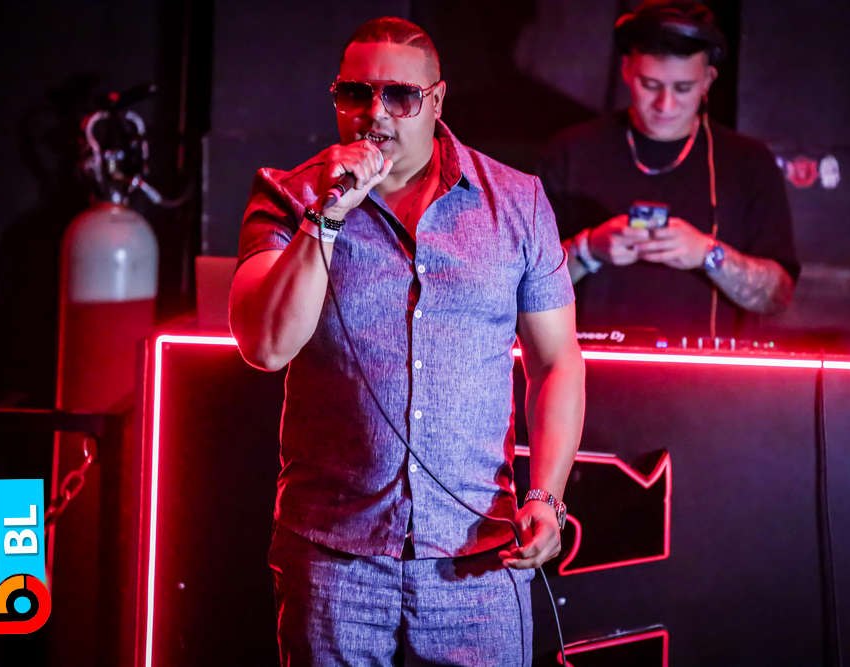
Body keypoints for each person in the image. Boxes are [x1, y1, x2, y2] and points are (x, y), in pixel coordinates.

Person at [228, 16, 585, 667]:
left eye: (400, 95)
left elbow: (558, 360)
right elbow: (266, 345)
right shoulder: (290, 194)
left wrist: (546, 495)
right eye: (355, 94)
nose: (375, 114)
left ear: (437, 101)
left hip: (478, 560)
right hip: (336, 563)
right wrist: (328, 214)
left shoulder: (517, 202)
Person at [539, 0, 799, 340]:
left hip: (708, 369)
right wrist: (589, 249)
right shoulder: (570, 152)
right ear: (627, 70)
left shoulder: (750, 162)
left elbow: (778, 297)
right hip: (590, 363)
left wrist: (708, 254)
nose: (665, 104)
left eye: (683, 88)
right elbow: (520, 287)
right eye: (650, 84)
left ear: (708, 80)